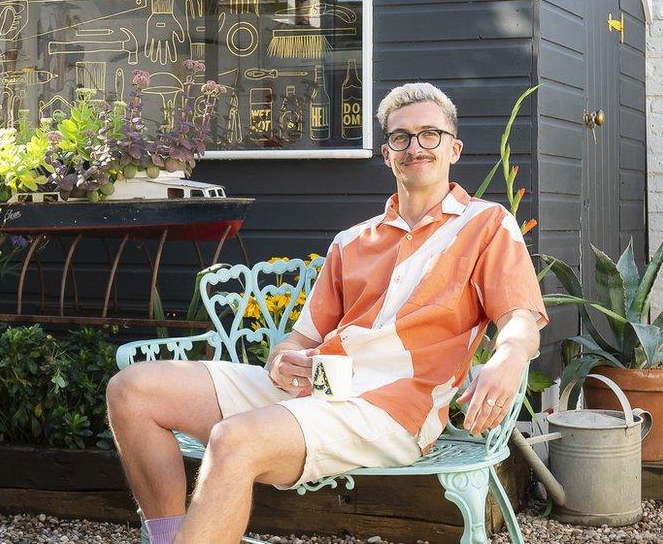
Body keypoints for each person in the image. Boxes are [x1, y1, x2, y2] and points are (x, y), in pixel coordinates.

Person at [106, 82, 549, 544]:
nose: (415, 146)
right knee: (133, 391)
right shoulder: (352, 241)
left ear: (453, 148)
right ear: (387, 154)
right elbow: (299, 340)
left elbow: (519, 315)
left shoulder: (486, 224)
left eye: (429, 135)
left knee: (234, 439)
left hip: (392, 410)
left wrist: (507, 359)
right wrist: (283, 358)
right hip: (317, 391)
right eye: (401, 137)